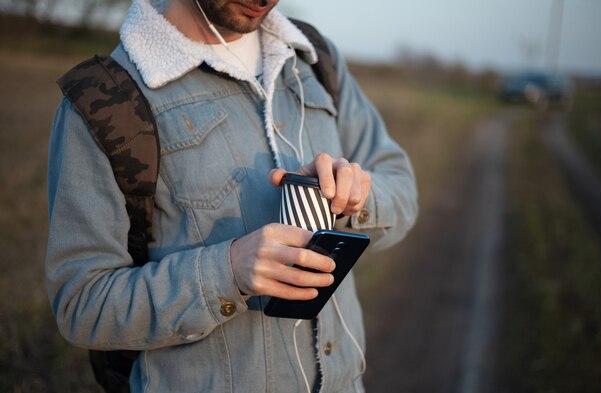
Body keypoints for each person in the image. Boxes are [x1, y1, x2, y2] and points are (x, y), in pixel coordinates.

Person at [45, 0, 418, 392]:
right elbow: (82, 304)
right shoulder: (104, 101)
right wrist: (228, 271)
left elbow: (402, 188)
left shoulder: (314, 58)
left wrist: (351, 198)